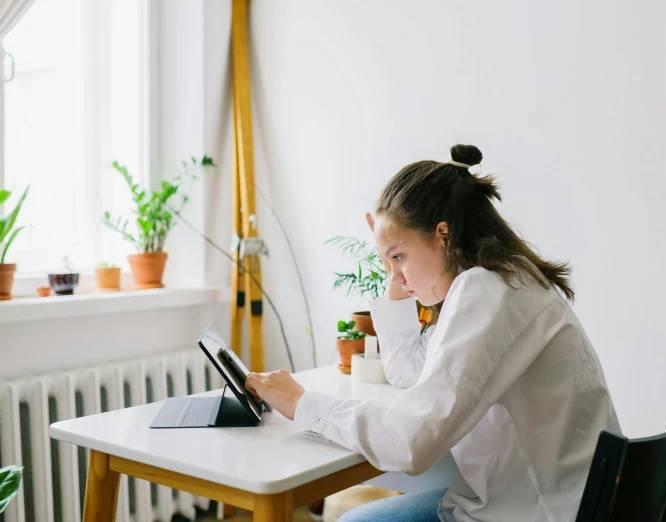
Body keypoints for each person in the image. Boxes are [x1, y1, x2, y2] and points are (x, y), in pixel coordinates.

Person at [245, 144, 621, 522]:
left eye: (399, 257)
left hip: (541, 511)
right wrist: (392, 258)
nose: (395, 275)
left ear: (443, 234)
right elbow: (409, 368)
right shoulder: (508, 278)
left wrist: (303, 403)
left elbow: (412, 441)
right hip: (566, 500)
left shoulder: (485, 291)